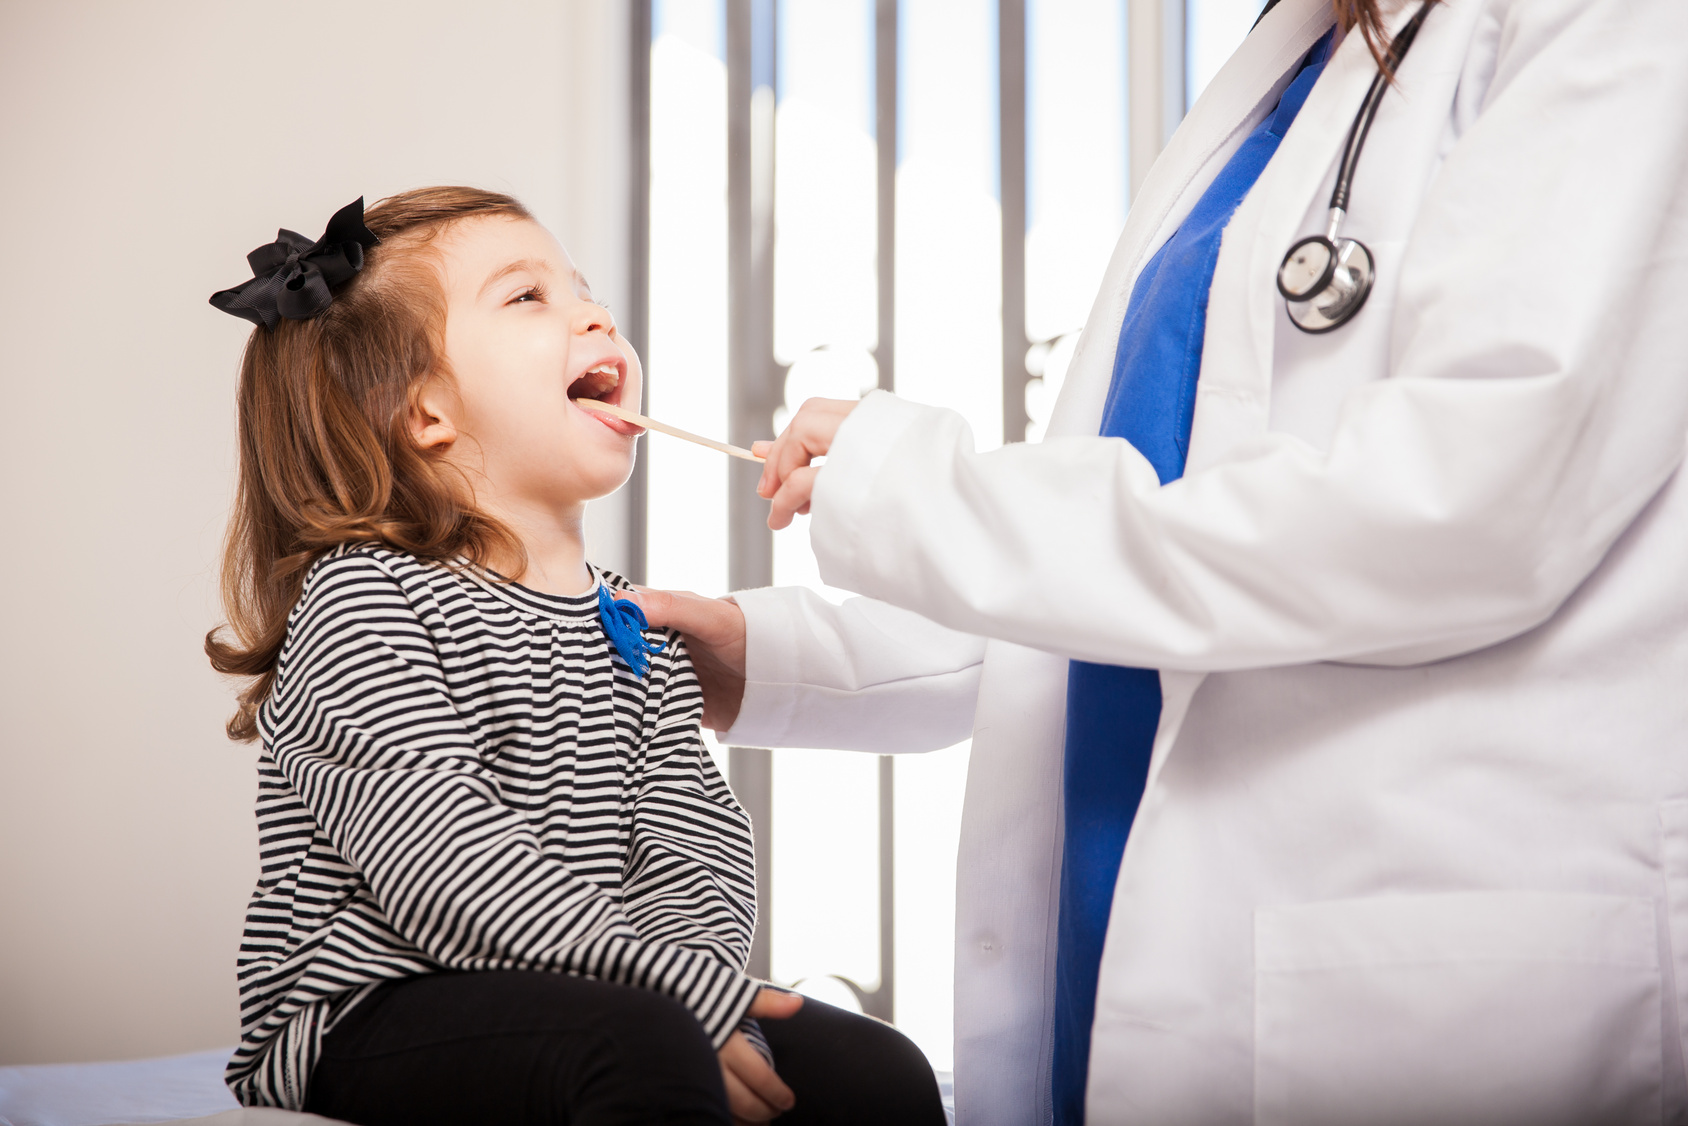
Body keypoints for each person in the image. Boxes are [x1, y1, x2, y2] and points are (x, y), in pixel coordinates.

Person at [630, 0, 1688, 1122]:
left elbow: (1451, 512)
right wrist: (770, 656)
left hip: (1419, 952)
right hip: (1141, 937)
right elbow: (1141, 571)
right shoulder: (1290, 64)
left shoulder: (1607, 26)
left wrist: (928, 496)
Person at [203, 187, 946, 1126]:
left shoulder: (624, 617)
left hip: (610, 987)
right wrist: (665, 993)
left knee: (877, 1070)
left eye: (586, 291)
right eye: (528, 297)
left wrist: (705, 992)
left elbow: (690, 837)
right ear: (424, 410)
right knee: (630, 1052)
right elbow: (440, 861)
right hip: (372, 1007)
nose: (596, 315)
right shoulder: (365, 598)